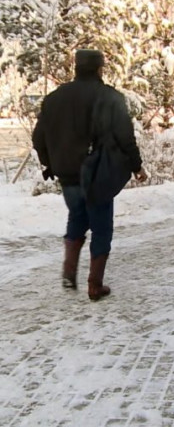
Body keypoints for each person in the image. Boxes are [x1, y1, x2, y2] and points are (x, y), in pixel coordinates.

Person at [32, 49, 147, 301]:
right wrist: (137, 165)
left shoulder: (53, 99)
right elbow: (125, 136)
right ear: (99, 69)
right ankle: (95, 284)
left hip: (66, 173)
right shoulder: (108, 97)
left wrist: (49, 163)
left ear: (76, 67)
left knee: (76, 216)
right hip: (97, 171)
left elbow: (38, 137)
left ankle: (69, 270)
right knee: (101, 226)